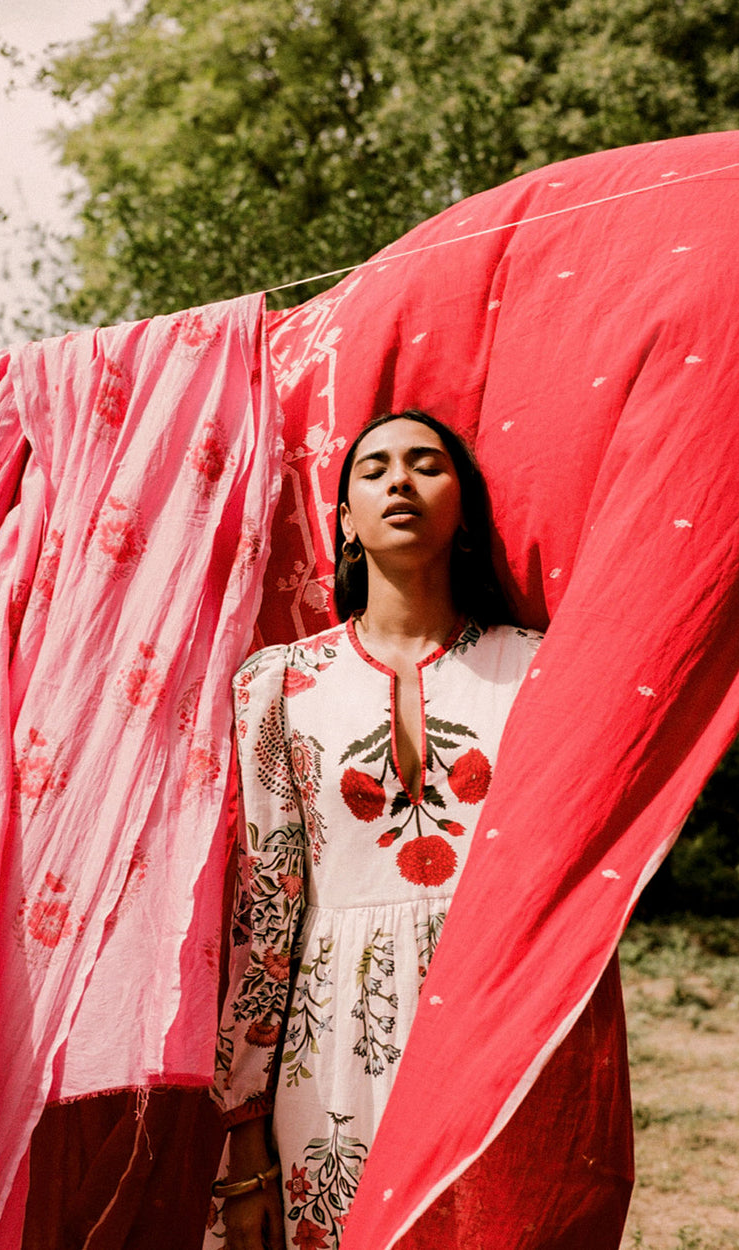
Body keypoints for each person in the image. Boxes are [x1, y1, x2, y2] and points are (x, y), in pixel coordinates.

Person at [205, 410, 543, 1250]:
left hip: (497, 1022)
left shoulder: (536, 667)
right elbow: (266, 915)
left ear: (462, 506)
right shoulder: (279, 687)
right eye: (375, 469)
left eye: (427, 464)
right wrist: (245, 1135)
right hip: (331, 1047)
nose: (400, 480)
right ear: (346, 520)